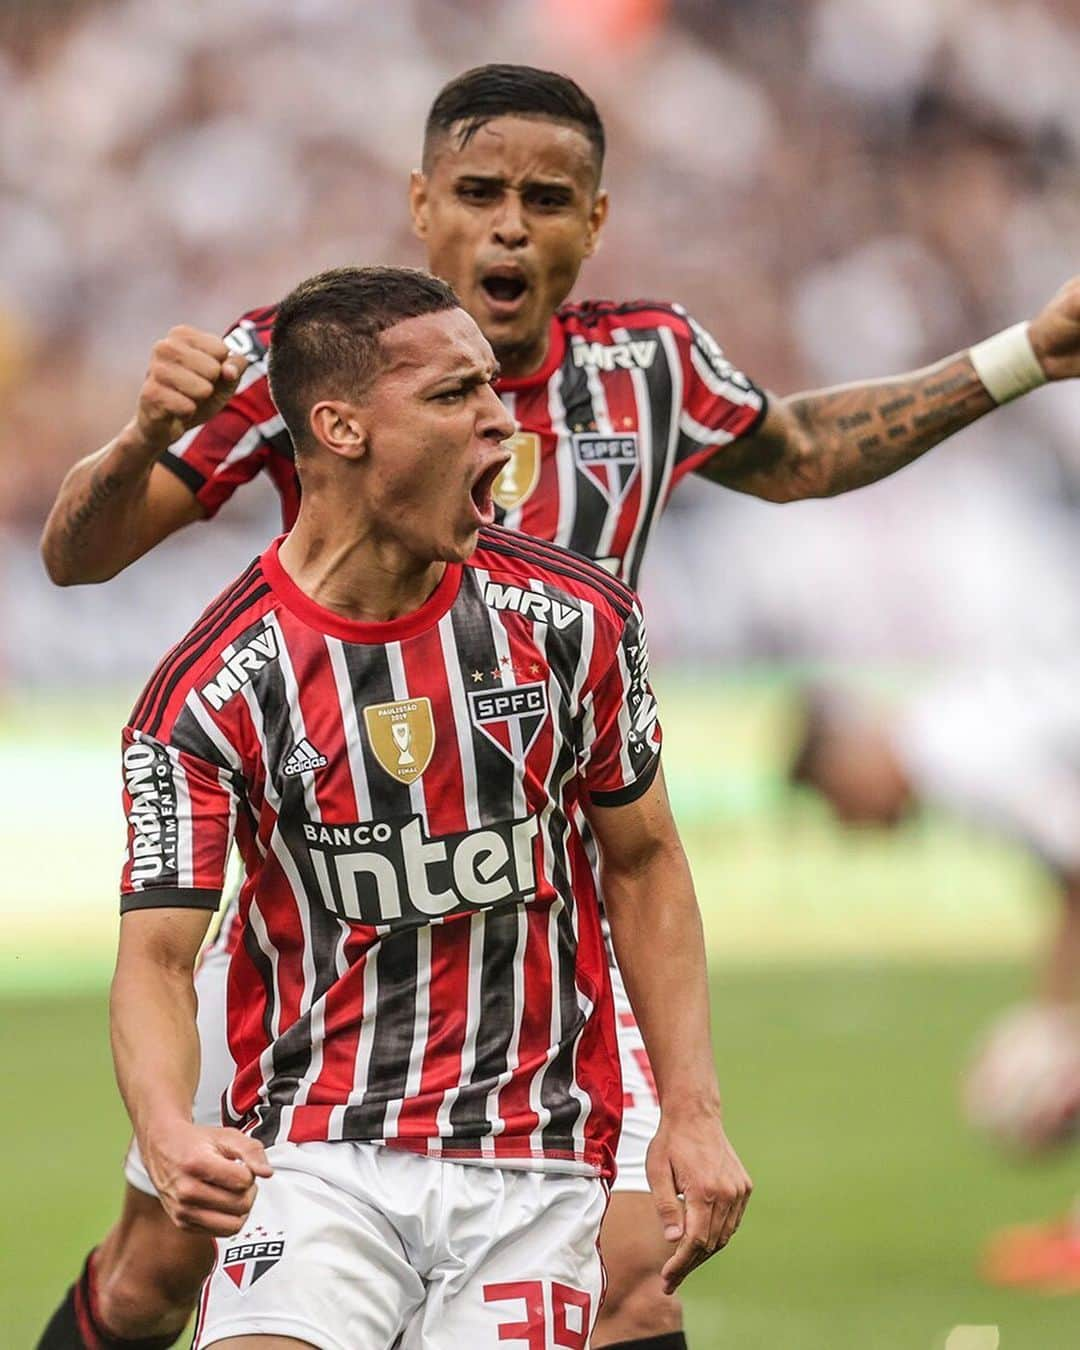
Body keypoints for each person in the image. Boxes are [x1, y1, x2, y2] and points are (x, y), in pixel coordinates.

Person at [37, 63, 1080, 1350]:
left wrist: (1025, 354)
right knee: (153, 1271)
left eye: (548, 197)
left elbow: (801, 453)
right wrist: (140, 438)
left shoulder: (649, 368)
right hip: (329, 909)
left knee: (635, 1272)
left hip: (548, 922)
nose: (511, 225)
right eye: (478, 193)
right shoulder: (316, 359)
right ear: (422, 207)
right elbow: (80, 556)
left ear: (596, 220)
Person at [109, 264, 751, 1350]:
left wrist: (691, 1110)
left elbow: (643, 862)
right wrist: (170, 1127)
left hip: (531, 1165)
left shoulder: (574, 621)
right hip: (314, 1152)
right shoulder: (213, 687)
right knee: (148, 1293)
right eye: (456, 397)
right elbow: (160, 958)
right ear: (340, 427)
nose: (503, 427)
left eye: (495, 392)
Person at [789, 669, 1080, 1292]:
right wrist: (1055, 1014)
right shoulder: (955, 734)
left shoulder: (960, 756)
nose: (851, 825)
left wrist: (1054, 1026)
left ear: (852, 754)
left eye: (836, 799)